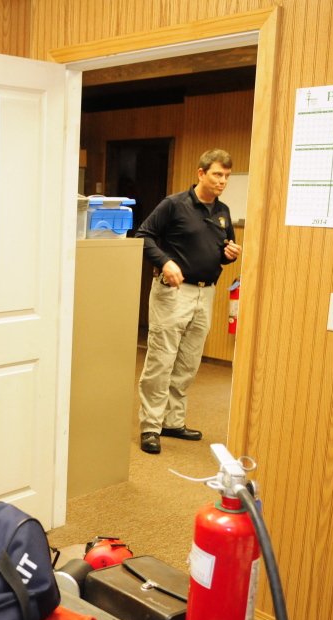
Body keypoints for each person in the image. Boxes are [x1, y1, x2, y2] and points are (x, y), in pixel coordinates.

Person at [137, 149, 241, 454]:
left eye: (227, 176)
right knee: (162, 359)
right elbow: (143, 235)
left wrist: (229, 254)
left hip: (204, 293)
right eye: (217, 174)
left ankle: (172, 421)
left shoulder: (222, 211)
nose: (223, 181)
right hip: (173, 293)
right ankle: (151, 426)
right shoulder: (175, 204)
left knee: (188, 361)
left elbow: (222, 250)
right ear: (201, 173)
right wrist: (166, 261)